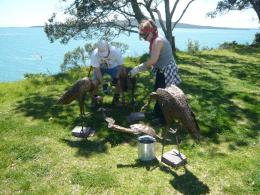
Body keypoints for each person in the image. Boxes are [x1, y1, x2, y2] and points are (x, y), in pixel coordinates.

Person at [129, 19, 181, 124]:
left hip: (166, 70)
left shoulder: (157, 41)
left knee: (164, 95)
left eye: (144, 36)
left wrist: (138, 68)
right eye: (141, 36)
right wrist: (141, 67)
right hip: (161, 68)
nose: (143, 39)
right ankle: (157, 112)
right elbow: (154, 59)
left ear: (151, 32)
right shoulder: (155, 39)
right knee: (158, 91)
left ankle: (164, 119)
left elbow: (153, 60)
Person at [90, 40, 125, 106]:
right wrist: (103, 83)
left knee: (118, 83)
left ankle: (116, 100)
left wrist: (116, 77)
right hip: (100, 68)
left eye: (105, 53)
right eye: (101, 53)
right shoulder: (94, 54)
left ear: (108, 48)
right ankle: (94, 100)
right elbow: (97, 70)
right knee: (95, 83)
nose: (104, 56)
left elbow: (121, 65)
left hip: (113, 67)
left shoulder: (116, 51)